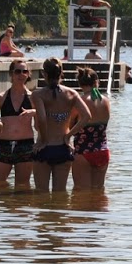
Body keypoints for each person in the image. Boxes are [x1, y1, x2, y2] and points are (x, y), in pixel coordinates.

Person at [31, 57, 91, 192]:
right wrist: (69, 135)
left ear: (44, 74)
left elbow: (42, 119)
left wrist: (44, 140)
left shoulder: (38, 94)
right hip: (63, 147)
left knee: (41, 193)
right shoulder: (72, 93)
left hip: (44, 147)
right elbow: (87, 116)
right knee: (60, 192)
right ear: (61, 73)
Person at [0, 59, 36, 191]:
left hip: (25, 145)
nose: (21, 74)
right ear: (11, 73)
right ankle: (5, 204)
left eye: (24, 71)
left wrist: (34, 112)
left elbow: (45, 118)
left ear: (28, 74)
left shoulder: (33, 98)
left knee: (22, 186)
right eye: (17, 71)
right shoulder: (0, 97)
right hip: (4, 144)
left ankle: (18, 204)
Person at [70, 66, 112, 190]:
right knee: (98, 191)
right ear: (96, 82)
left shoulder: (80, 102)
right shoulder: (106, 101)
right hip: (103, 150)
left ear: (80, 83)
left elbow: (70, 125)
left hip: (83, 151)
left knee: (81, 192)